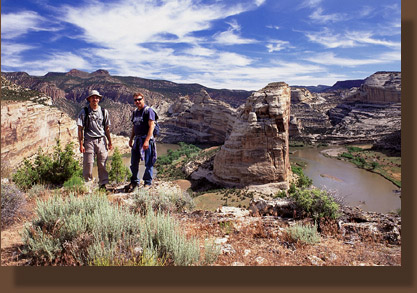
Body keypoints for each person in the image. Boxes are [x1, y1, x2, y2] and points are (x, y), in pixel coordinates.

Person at [77, 89, 113, 190]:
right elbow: (80, 129)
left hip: (101, 140)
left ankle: (103, 184)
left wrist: (110, 141)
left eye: (97, 97)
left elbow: (107, 128)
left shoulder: (103, 111)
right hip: (89, 141)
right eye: (93, 97)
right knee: (88, 163)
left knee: (102, 163)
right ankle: (87, 184)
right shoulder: (84, 112)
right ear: (89, 99)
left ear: (99, 99)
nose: (95, 99)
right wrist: (81, 144)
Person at [125, 92, 157, 192]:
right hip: (137, 140)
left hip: (146, 139)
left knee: (148, 162)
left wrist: (147, 141)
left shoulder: (149, 111)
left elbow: (152, 126)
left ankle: (147, 182)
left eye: (139, 99)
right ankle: (134, 181)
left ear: (143, 99)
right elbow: (134, 126)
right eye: (135, 100)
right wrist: (131, 139)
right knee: (134, 162)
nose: (137, 101)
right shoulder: (135, 112)